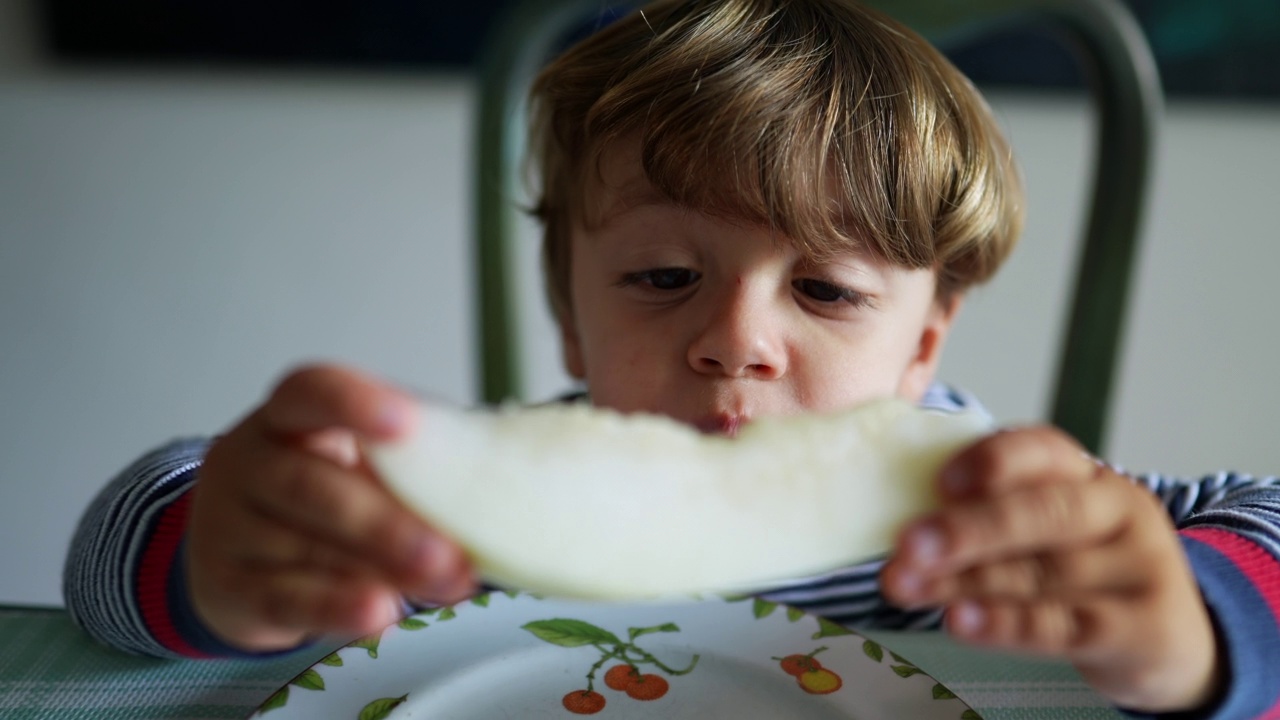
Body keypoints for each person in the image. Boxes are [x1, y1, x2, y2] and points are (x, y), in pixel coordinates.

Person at [63, 1, 1279, 717]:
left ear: (922, 342)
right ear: (571, 313)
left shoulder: (994, 512)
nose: (736, 341)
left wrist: (1188, 626)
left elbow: (1261, 520)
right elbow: (113, 571)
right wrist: (217, 556)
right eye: (661, 278)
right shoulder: (464, 523)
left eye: (823, 290)